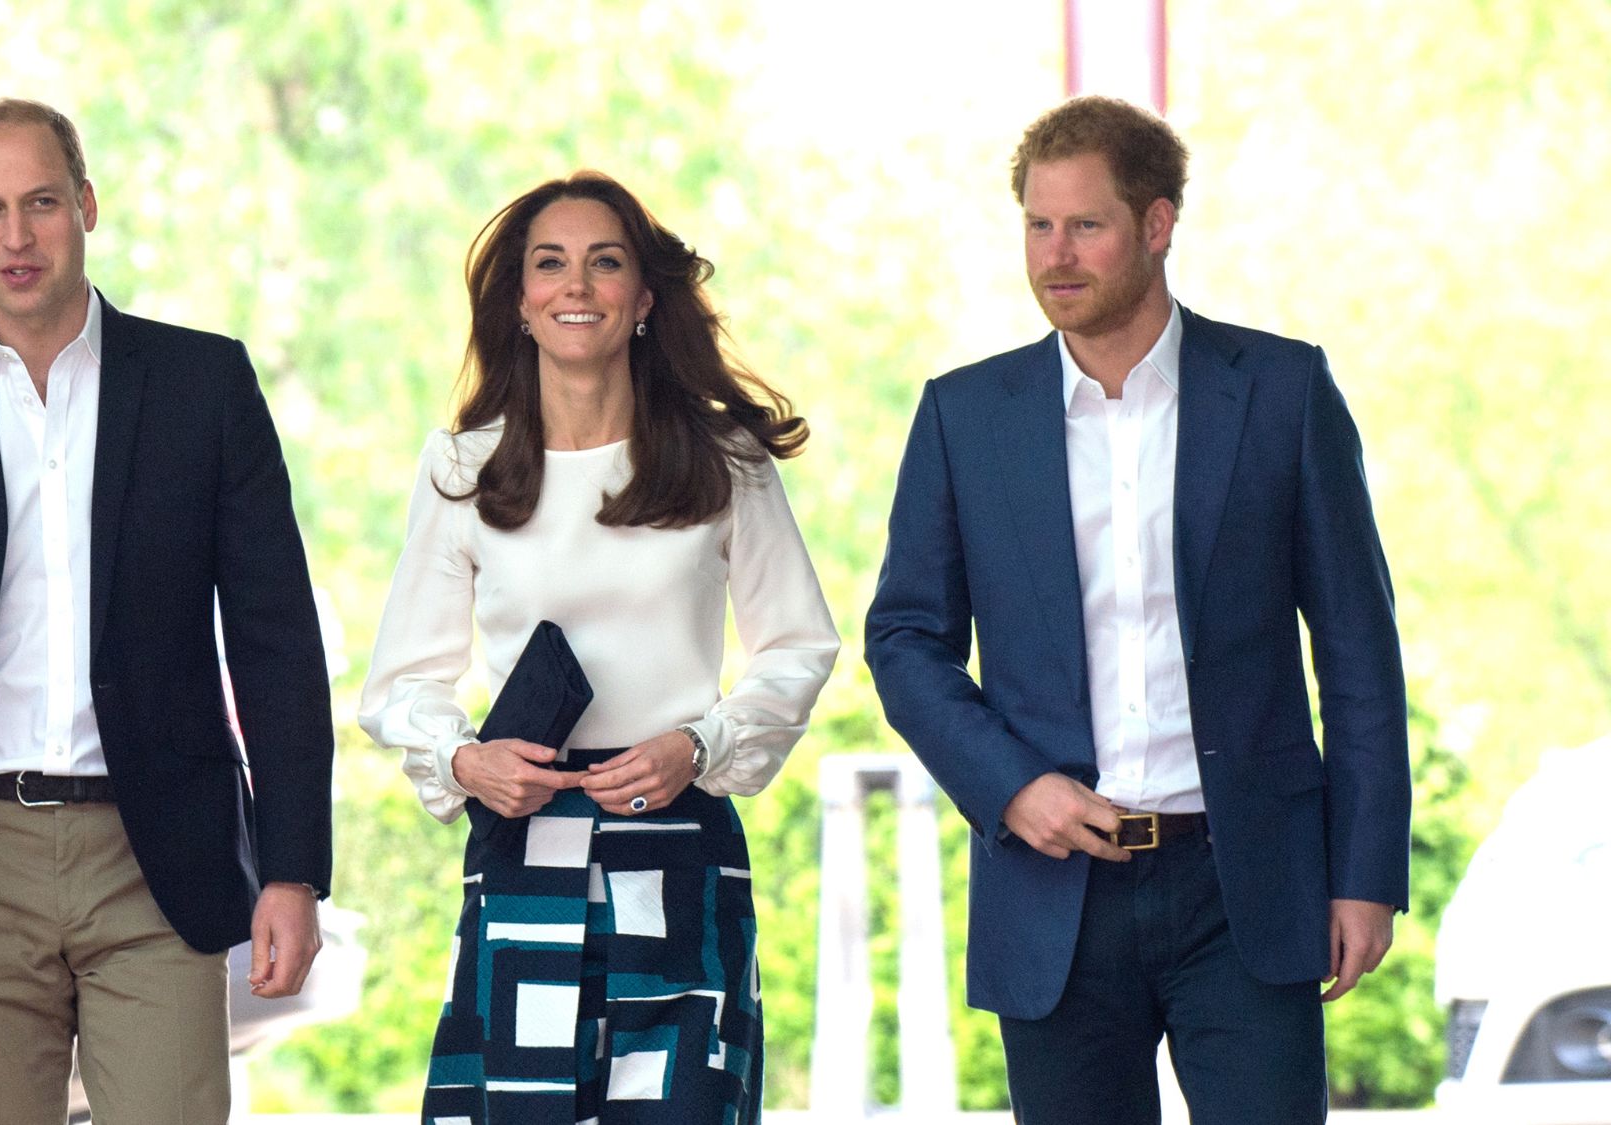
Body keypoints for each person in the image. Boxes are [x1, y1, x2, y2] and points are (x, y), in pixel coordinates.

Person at [864, 96, 1411, 1123]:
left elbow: (1355, 652)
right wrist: (1010, 785)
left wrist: (1365, 873)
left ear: (1156, 225)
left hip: (1241, 881)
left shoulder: (1281, 392)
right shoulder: (964, 416)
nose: (1053, 255)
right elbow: (902, 640)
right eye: (1035, 224)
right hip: (1052, 891)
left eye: (1085, 225)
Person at [0, 97, 334, 1123]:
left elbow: (273, 640)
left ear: (85, 206)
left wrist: (293, 869)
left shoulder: (202, 386)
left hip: (157, 852)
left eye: (42, 202)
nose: (16, 235)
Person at [360, 171, 839, 1124]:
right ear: (522, 304)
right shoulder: (460, 468)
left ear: (645, 300)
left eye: (604, 262)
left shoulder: (725, 462)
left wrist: (698, 746)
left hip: (682, 839)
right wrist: (465, 760)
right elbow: (399, 684)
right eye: (551, 264)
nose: (576, 285)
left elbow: (798, 648)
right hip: (524, 846)